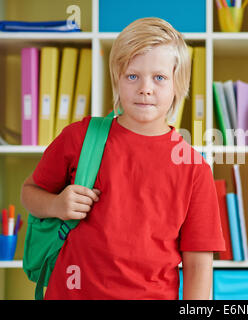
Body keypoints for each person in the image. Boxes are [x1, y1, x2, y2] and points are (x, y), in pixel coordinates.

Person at [20, 17, 225, 300]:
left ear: (178, 84)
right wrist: (56, 204)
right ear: (117, 77)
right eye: (132, 76)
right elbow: (29, 193)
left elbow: (199, 265)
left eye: (159, 77)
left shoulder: (194, 169)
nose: (145, 88)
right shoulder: (79, 138)